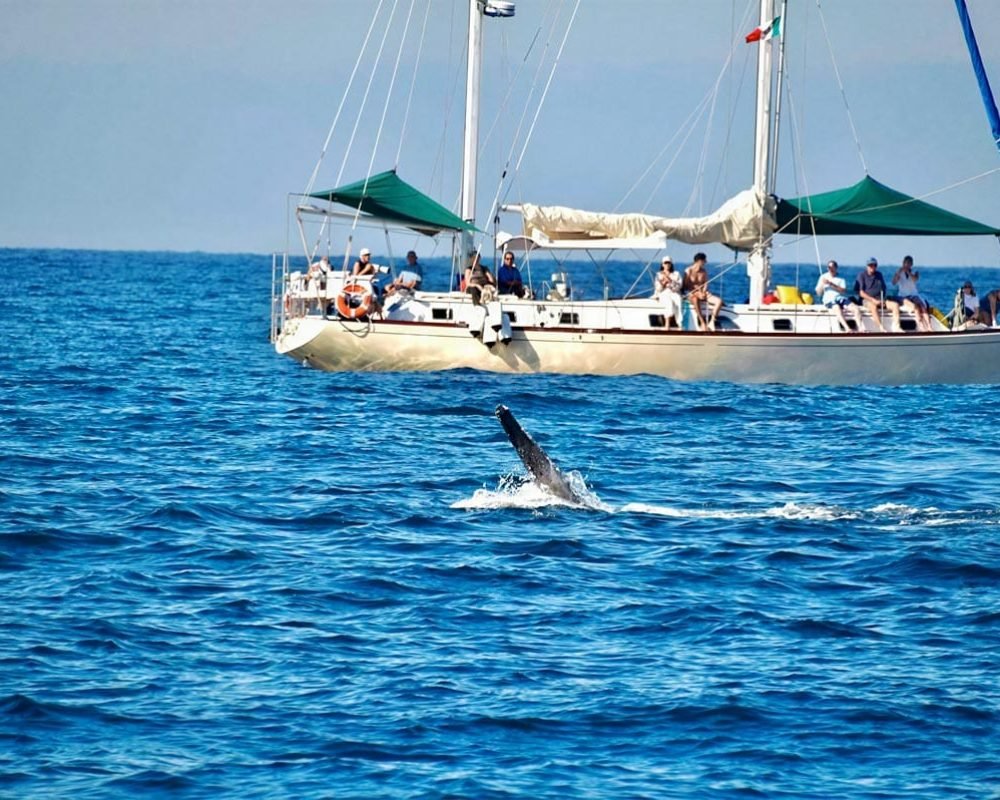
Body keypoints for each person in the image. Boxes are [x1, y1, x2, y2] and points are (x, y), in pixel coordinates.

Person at [854, 257, 900, 333]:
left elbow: (883, 288)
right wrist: (873, 300)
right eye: (870, 265)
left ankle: (897, 327)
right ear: (867, 266)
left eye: (874, 265)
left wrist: (882, 299)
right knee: (873, 306)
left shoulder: (879, 275)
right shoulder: (861, 275)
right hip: (867, 300)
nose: (872, 267)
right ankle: (881, 327)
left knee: (895, 305)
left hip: (880, 298)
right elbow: (860, 292)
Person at [815, 259, 863, 332]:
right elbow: (818, 293)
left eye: (832, 267)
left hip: (840, 298)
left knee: (855, 308)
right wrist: (822, 284)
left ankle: (861, 328)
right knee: (836, 308)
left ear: (836, 268)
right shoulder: (823, 277)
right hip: (829, 300)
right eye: (829, 267)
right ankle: (847, 328)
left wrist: (831, 284)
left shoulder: (841, 279)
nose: (831, 269)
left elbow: (843, 290)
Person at [683, 252, 723, 331]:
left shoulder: (704, 271)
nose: (706, 262)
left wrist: (704, 292)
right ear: (699, 261)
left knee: (719, 301)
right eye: (704, 260)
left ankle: (712, 321)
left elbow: (706, 284)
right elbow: (685, 286)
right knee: (695, 299)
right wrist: (697, 292)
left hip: (702, 293)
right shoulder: (688, 270)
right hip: (691, 293)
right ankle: (702, 322)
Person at [892, 255, 932, 332]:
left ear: (911, 265)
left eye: (909, 263)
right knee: (915, 307)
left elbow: (915, 279)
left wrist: (908, 272)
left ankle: (929, 326)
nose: (907, 265)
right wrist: (899, 273)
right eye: (905, 263)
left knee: (922, 307)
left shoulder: (915, 272)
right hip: (903, 296)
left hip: (913, 294)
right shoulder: (899, 272)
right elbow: (894, 282)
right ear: (903, 263)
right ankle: (920, 325)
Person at [654, 256, 684, 329]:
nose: (667, 265)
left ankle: (679, 324)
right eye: (665, 263)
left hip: (674, 292)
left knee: (678, 302)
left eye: (669, 263)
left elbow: (678, 286)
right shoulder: (659, 274)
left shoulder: (676, 274)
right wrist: (664, 282)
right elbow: (658, 288)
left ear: (671, 264)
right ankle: (667, 324)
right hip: (664, 292)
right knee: (668, 303)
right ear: (662, 264)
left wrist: (670, 281)